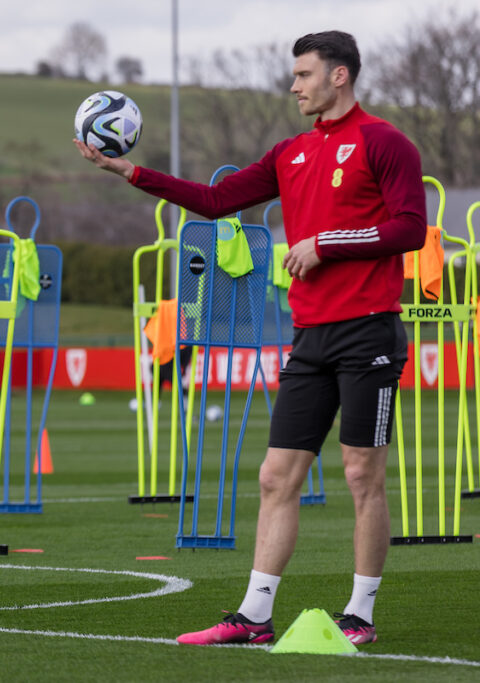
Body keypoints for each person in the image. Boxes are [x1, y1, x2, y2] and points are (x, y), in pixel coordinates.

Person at [76, 31, 426, 645]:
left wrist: (326, 244)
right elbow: (214, 201)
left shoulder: (385, 142)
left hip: (369, 330)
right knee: (275, 476)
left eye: (304, 74)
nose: (294, 85)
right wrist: (129, 170)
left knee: (362, 475)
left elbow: (410, 229)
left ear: (339, 76)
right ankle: (255, 616)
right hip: (310, 336)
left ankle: (361, 616)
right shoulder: (289, 152)